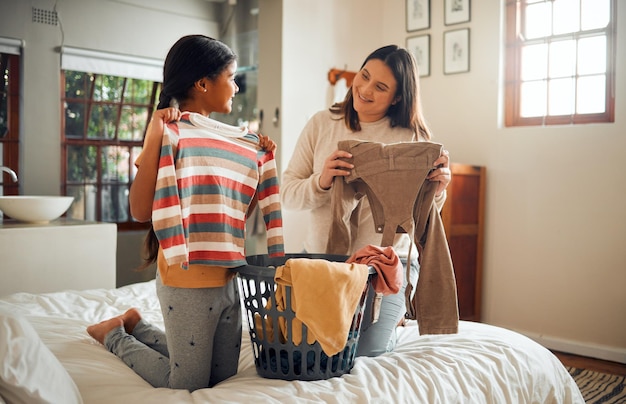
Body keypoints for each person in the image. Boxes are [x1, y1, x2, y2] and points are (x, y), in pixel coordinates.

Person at [86, 34, 284, 391]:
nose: (237, 88)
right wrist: (154, 133)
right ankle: (113, 334)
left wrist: (258, 163)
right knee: (186, 382)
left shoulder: (234, 144)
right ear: (203, 83)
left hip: (227, 279)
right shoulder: (170, 134)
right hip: (185, 281)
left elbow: (236, 213)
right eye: (231, 77)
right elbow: (139, 209)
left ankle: (138, 325)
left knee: (221, 378)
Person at [280, 44, 451, 357]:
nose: (365, 89)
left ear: (397, 97)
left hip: (385, 269)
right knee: (309, 351)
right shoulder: (322, 123)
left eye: (380, 87)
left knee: (364, 354)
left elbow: (422, 222)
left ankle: (392, 321)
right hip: (324, 262)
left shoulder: (413, 139)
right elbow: (288, 194)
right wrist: (322, 181)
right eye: (364, 76)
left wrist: (437, 192)